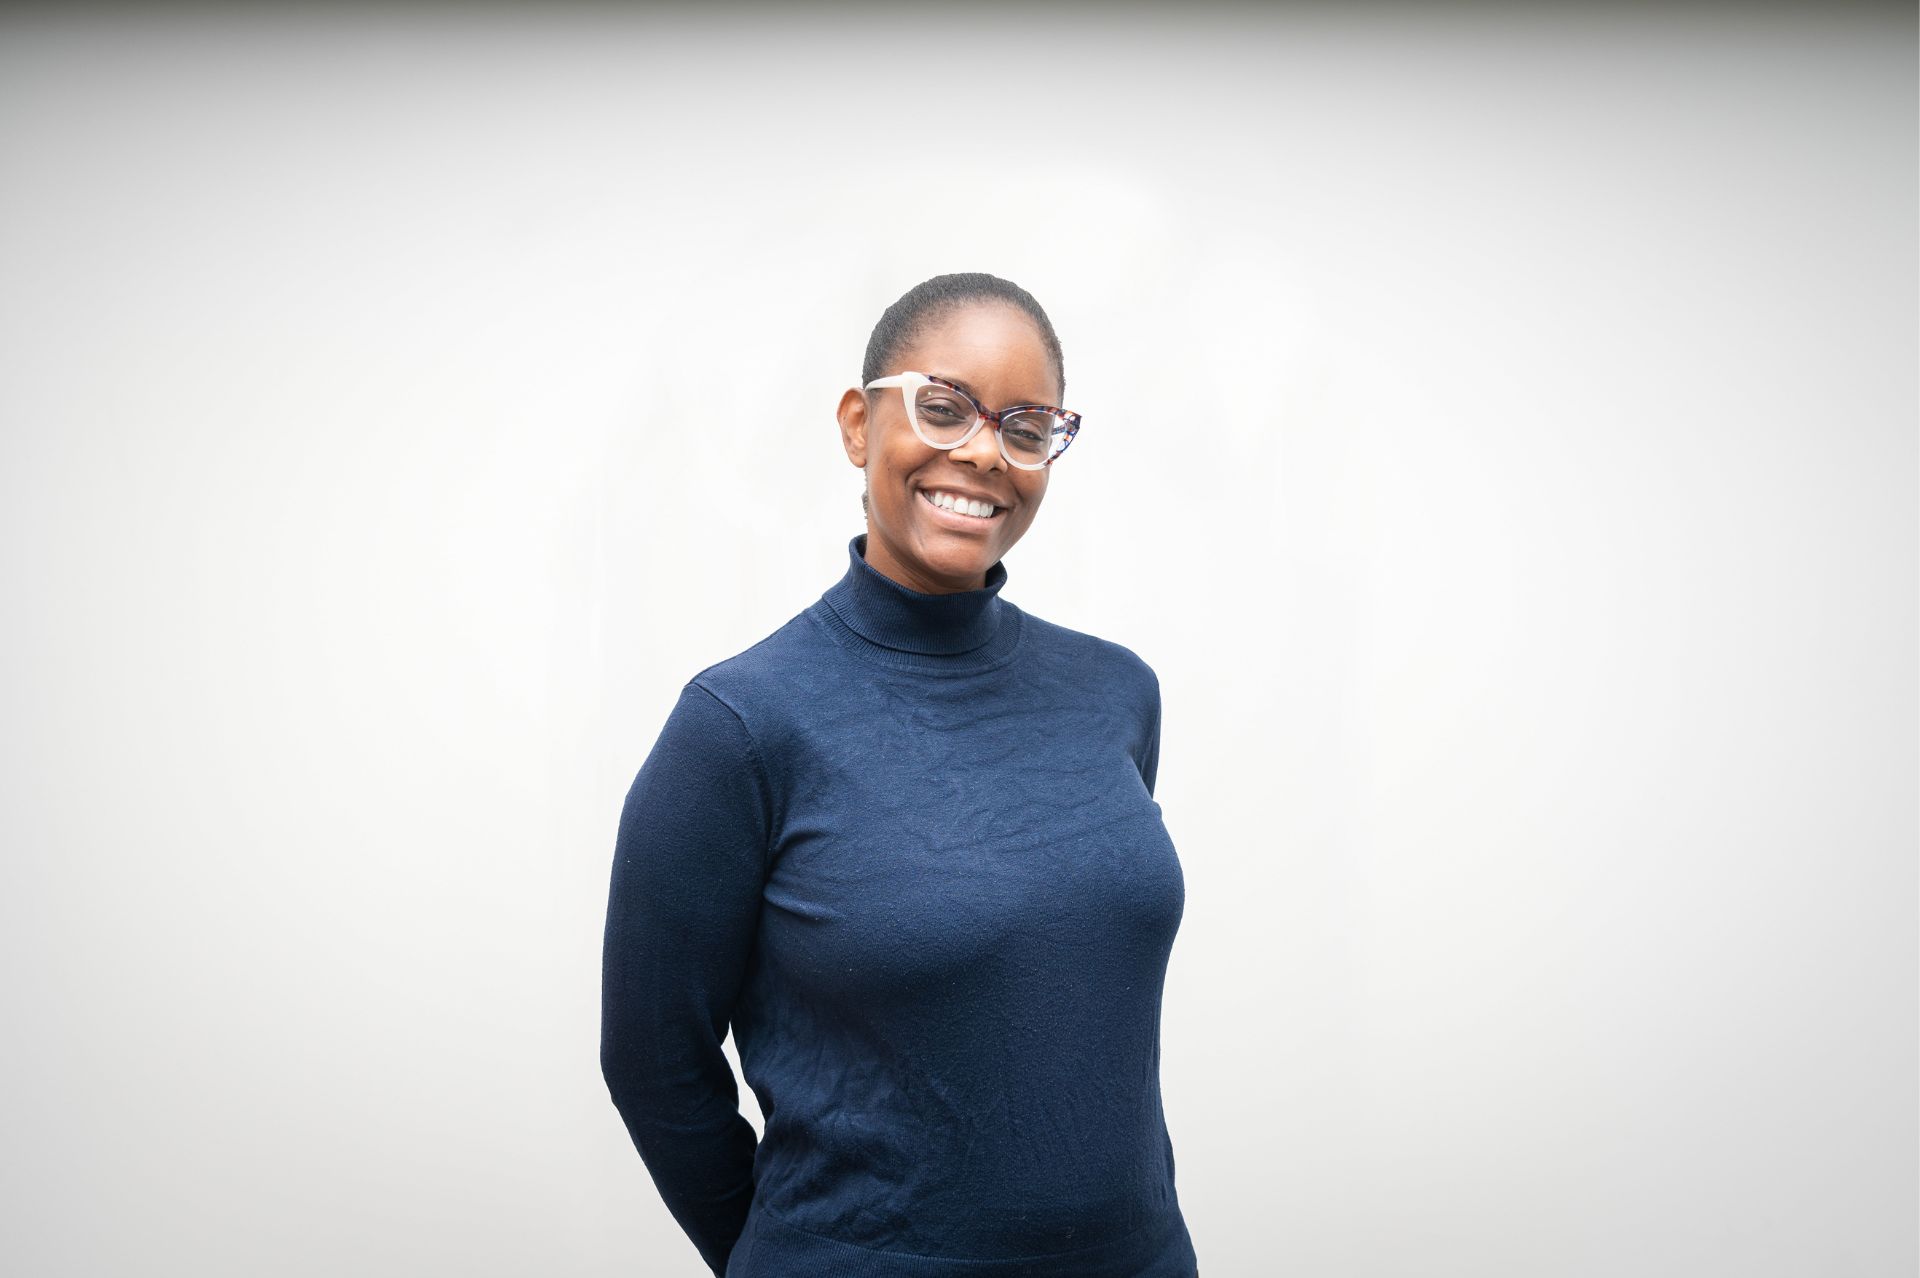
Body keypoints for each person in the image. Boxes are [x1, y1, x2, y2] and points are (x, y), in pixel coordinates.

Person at [600, 272, 1199, 1277]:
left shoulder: (1115, 694)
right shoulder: (741, 725)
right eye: (944, 406)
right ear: (857, 423)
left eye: (1027, 425)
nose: (982, 452)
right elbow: (653, 1062)